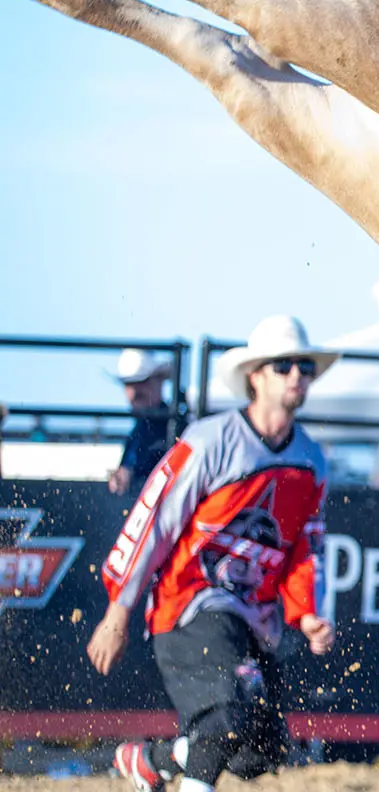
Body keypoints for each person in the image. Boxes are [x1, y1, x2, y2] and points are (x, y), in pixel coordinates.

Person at [89, 316, 336, 792]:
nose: (296, 377)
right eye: (283, 366)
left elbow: (305, 547)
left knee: (262, 750)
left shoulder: (312, 460)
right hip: (190, 603)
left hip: (251, 617)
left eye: (304, 367)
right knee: (224, 718)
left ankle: (154, 760)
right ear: (255, 377)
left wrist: (307, 615)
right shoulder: (209, 441)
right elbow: (153, 523)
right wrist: (118, 611)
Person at [106, 349, 177, 495]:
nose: (134, 391)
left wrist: (129, 471)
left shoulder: (170, 425)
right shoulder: (141, 427)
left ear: (159, 381)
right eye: (129, 384)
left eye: (142, 382)